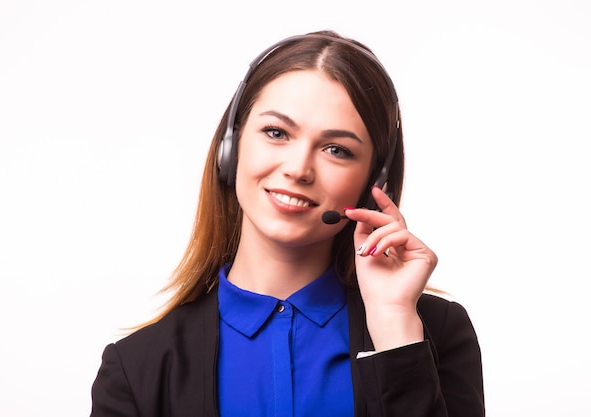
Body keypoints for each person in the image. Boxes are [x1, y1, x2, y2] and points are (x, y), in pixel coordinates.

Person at [90, 30, 485, 417]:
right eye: (276, 132)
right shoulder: (136, 368)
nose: (298, 169)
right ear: (232, 147)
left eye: (337, 150)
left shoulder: (433, 332)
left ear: (373, 183)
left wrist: (394, 326)